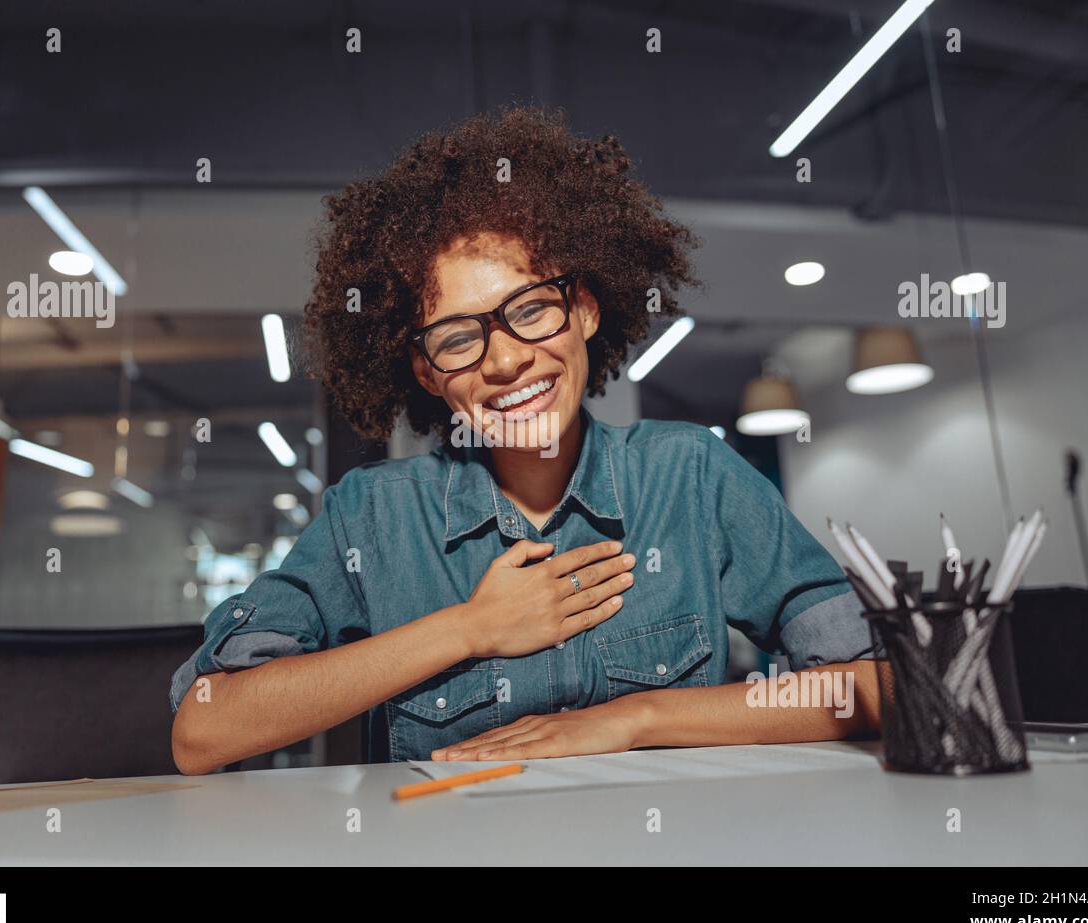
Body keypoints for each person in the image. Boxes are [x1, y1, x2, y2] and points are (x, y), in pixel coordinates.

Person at [170, 106, 880, 774]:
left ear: (586, 310)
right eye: (458, 338)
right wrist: (469, 628)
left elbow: (882, 685)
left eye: (532, 309)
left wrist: (639, 718)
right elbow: (204, 729)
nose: (506, 360)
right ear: (427, 372)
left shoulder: (689, 475)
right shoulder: (374, 516)